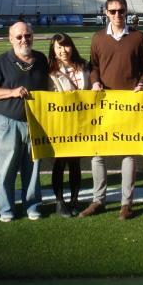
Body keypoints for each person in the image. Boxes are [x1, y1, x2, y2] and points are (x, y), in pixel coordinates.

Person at [79, 0, 143, 221]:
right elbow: (94, 66)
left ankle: (126, 203)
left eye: (121, 11)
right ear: (105, 13)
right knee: (98, 154)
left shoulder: (138, 37)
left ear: (127, 11)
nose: (117, 15)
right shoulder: (98, 38)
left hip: (129, 104)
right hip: (104, 103)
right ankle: (98, 199)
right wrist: (96, 81)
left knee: (127, 153)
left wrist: (141, 83)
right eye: (113, 11)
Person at [0, 21, 49, 222]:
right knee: (6, 169)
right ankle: (6, 209)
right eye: (19, 37)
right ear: (11, 39)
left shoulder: (41, 59)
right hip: (7, 122)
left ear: (33, 36)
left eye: (27, 35)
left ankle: (32, 205)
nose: (24, 40)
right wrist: (12, 92)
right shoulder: (1, 61)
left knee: (33, 167)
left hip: (35, 122)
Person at [47, 33, 90, 217]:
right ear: (53, 50)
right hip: (61, 123)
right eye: (58, 47)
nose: (63, 50)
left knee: (75, 163)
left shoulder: (83, 66)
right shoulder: (50, 70)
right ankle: (59, 201)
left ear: (72, 46)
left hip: (81, 122)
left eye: (65, 46)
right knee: (60, 162)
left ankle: (74, 199)